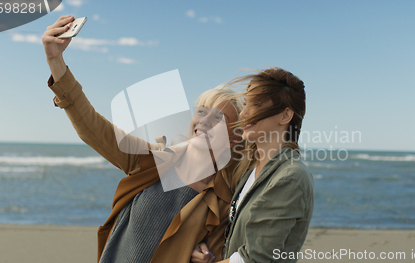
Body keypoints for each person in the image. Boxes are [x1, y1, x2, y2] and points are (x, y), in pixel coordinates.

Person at [42, 15, 245, 263]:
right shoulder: (152, 161)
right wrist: (55, 60)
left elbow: (224, 255)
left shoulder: (224, 203)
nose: (204, 120)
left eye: (218, 119)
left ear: (235, 138)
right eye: (201, 111)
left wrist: (204, 257)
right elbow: (92, 127)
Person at [191, 68, 314, 263]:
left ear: (284, 116)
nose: (244, 113)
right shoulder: (250, 169)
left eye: (256, 104)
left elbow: (254, 258)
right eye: (246, 103)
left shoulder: (290, 176)